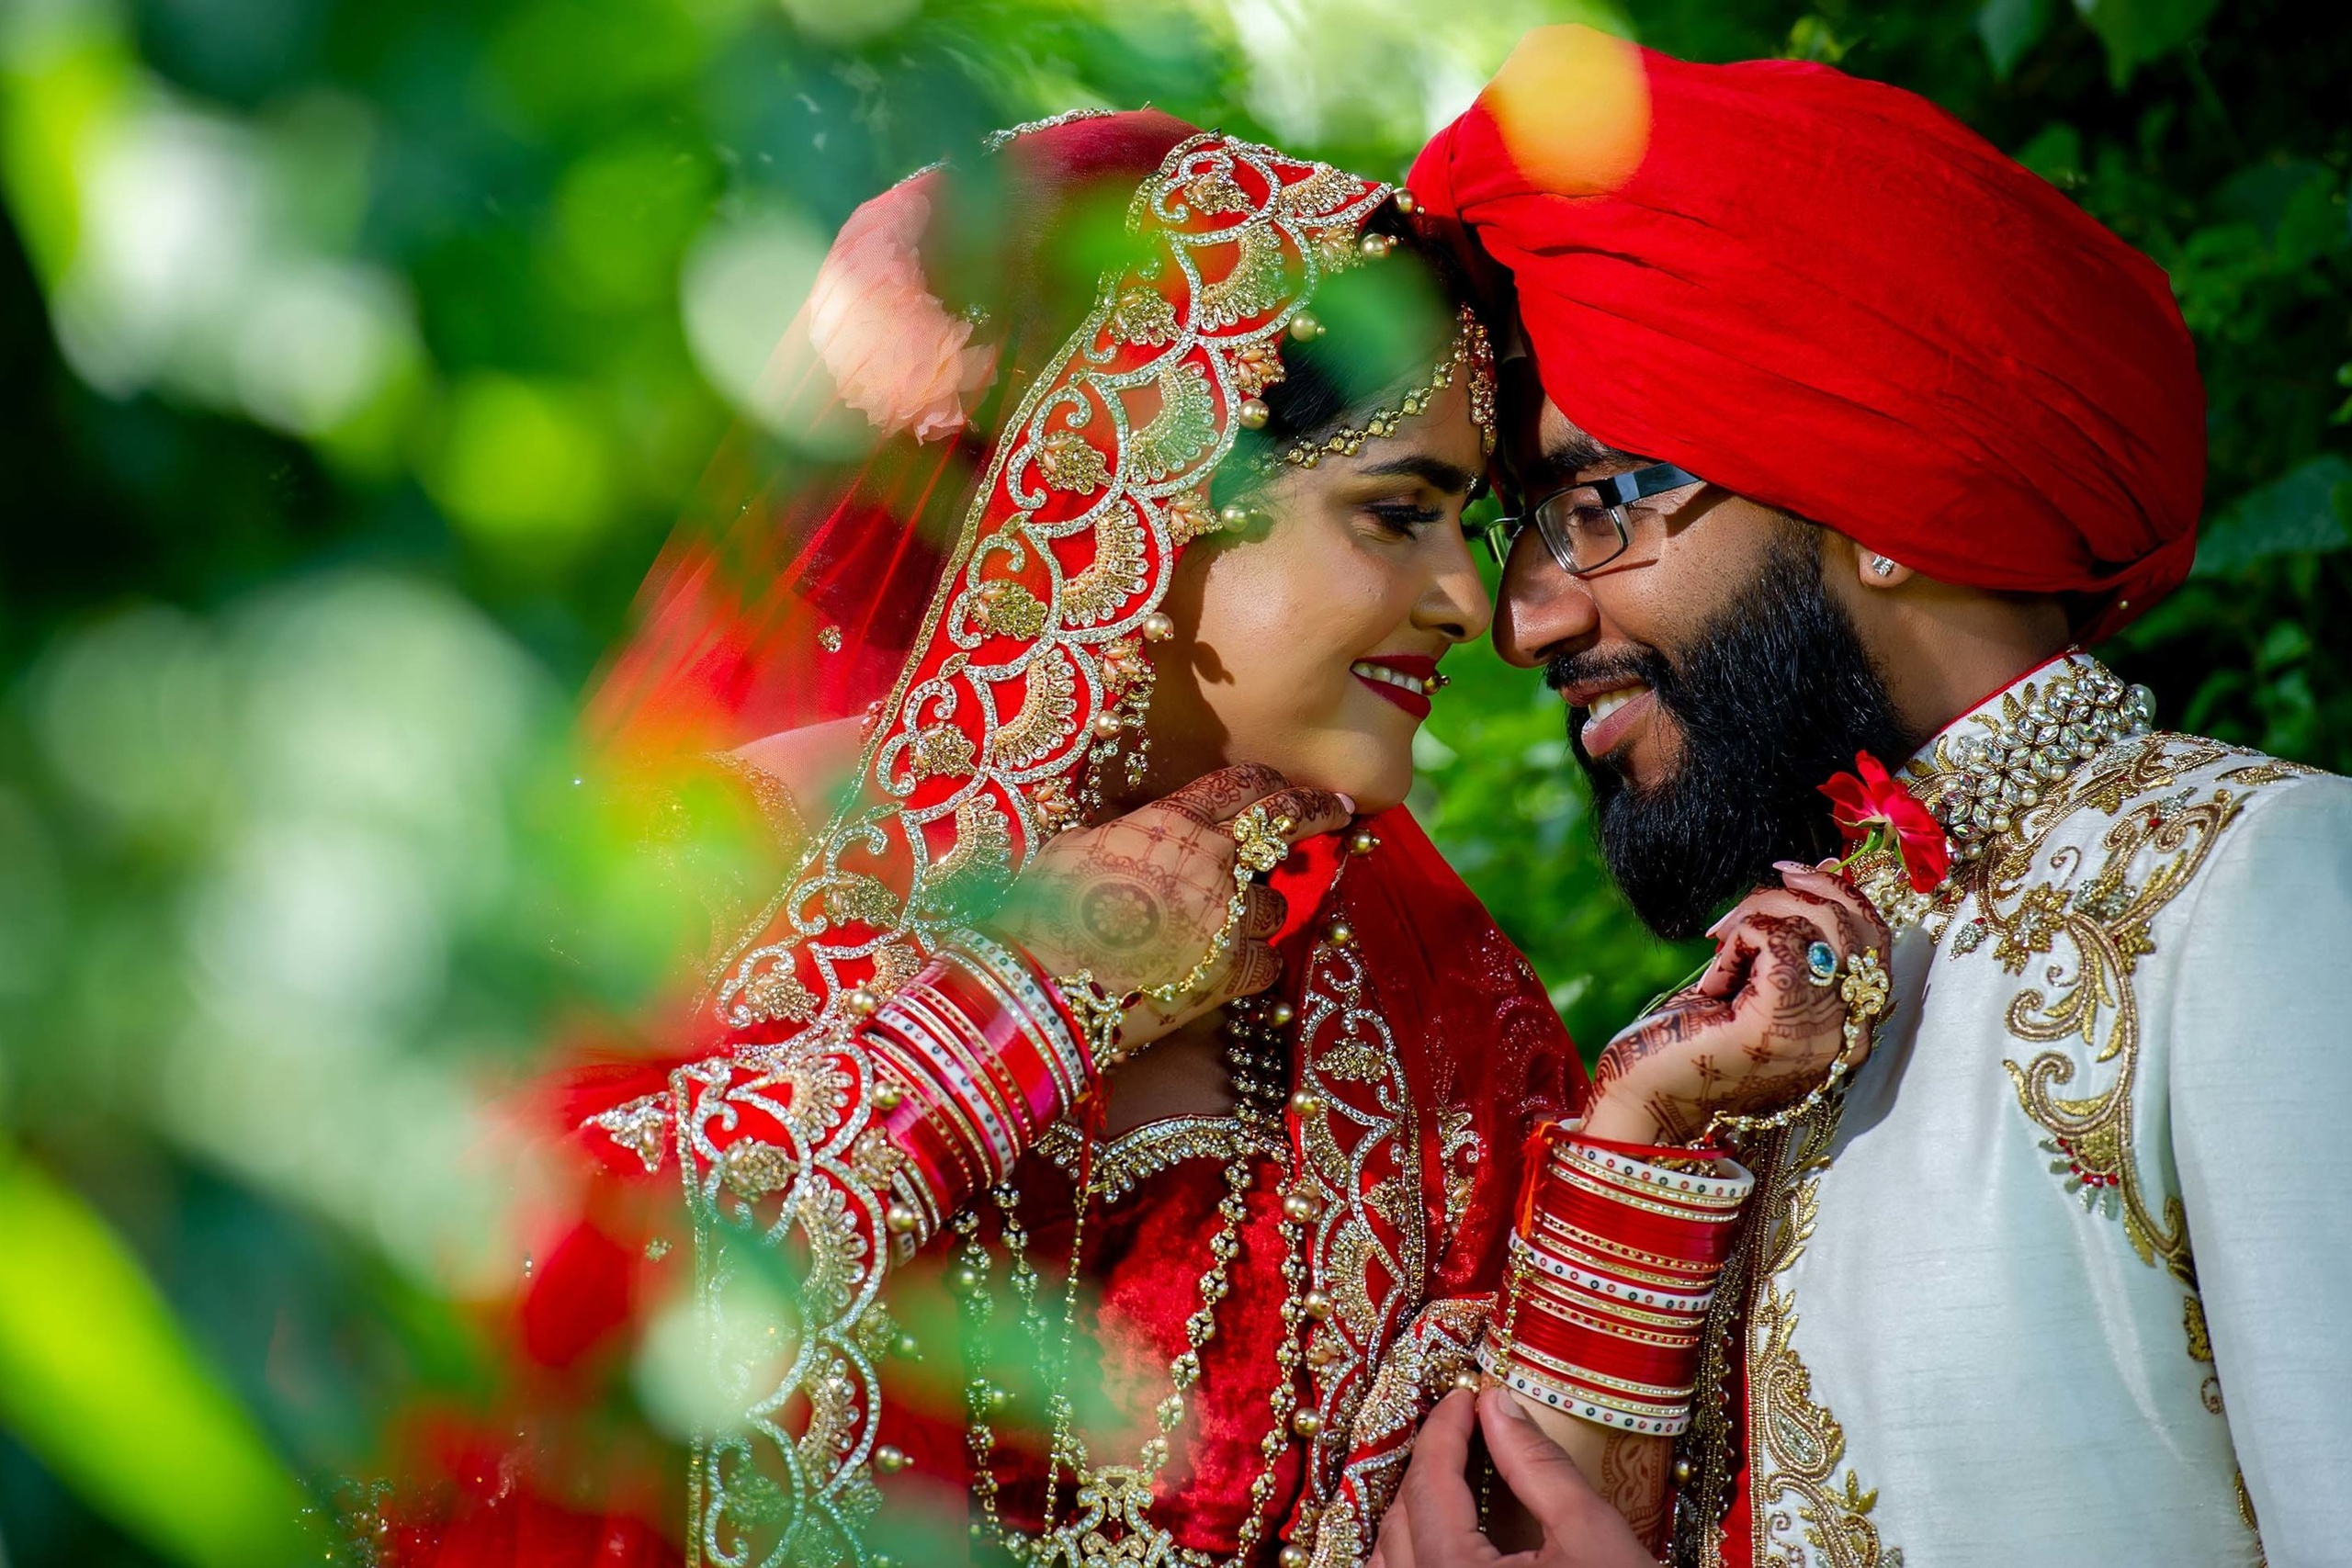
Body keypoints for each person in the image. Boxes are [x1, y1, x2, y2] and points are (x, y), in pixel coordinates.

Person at [390, 109, 1702, 1568]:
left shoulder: (1433, 1009)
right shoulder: (695, 870)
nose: (1473, 603)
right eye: (1396, 516)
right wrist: (1016, 1014)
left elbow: (1557, 1509)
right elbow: (464, 1360)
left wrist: (1649, 1140)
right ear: (1133, 485)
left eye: (1471, 525)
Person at [1374, 26, 2352, 1568]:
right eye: (1524, 532)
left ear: (1885, 503)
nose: (1527, 619)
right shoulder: (1744, 1022)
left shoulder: (2261, 893)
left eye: (1592, 507)